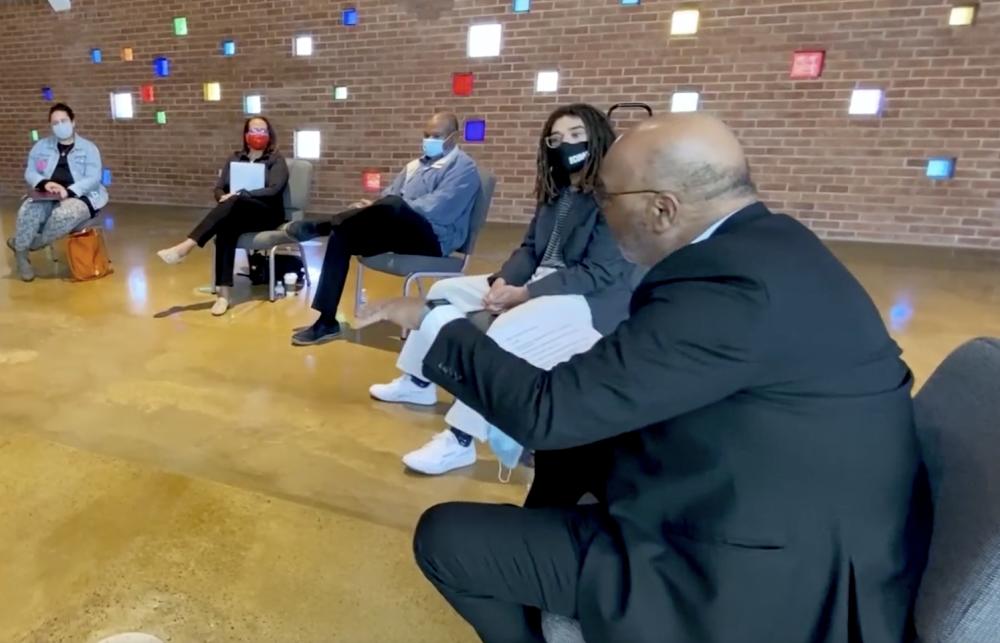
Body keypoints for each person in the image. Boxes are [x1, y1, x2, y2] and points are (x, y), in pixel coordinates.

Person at [357, 113, 931, 643]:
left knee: (448, 538)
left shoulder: (729, 288)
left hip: (760, 575)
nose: (600, 208)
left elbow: (547, 411)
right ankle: (551, 570)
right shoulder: (767, 246)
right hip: (764, 492)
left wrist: (433, 322)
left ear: (663, 209)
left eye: (607, 197)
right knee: (569, 452)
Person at [368, 104, 634, 478]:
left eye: (576, 136)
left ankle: (460, 439)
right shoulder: (557, 190)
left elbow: (597, 272)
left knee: (506, 327)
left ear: (598, 138)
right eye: (556, 139)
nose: (566, 145)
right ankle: (417, 381)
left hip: (588, 298)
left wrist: (525, 295)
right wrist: (503, 282)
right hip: (539, 280)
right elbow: (530, 249)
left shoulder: (617, 197)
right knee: (444, 290)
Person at [284, 111, 480, 346]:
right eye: (426, 135)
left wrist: (392, 206)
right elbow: (389, 195)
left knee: (395, 205)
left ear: (453, 137)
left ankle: (322, 225)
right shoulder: (414, 166)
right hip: (402, 233)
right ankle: (326, 321)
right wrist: (373, 207)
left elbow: (437, 209)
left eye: (436, 136)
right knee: (342, 234)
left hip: (435, 239)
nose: (429, 140)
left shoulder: (464, 169)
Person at [157, 117, 289, 316]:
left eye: (263, 131)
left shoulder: (276, 160)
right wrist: (223, 197)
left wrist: (241, 194)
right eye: (254, 130)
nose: (258, 134)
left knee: (234, 202)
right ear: (246, 134)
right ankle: (223, 295)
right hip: (238, 212)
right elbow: (219, 188)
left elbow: (274, 190)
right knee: (226, 229)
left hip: (266, 213)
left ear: (269, 135)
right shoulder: (234, 158)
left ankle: (187, 246)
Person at [7, 103, 108, 282]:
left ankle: (28, 245)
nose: (60, 125)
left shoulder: (88, 148)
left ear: (73, 122)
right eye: (55, 123)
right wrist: (45, 183)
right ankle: (21, 257)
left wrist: (68, 191)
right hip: (47, 194)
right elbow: (30, 172)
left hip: (81, 196)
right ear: (51, 126)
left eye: (64, 121)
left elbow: (93, 178)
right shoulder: (41, 147)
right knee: (27, 211)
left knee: (63, 215)